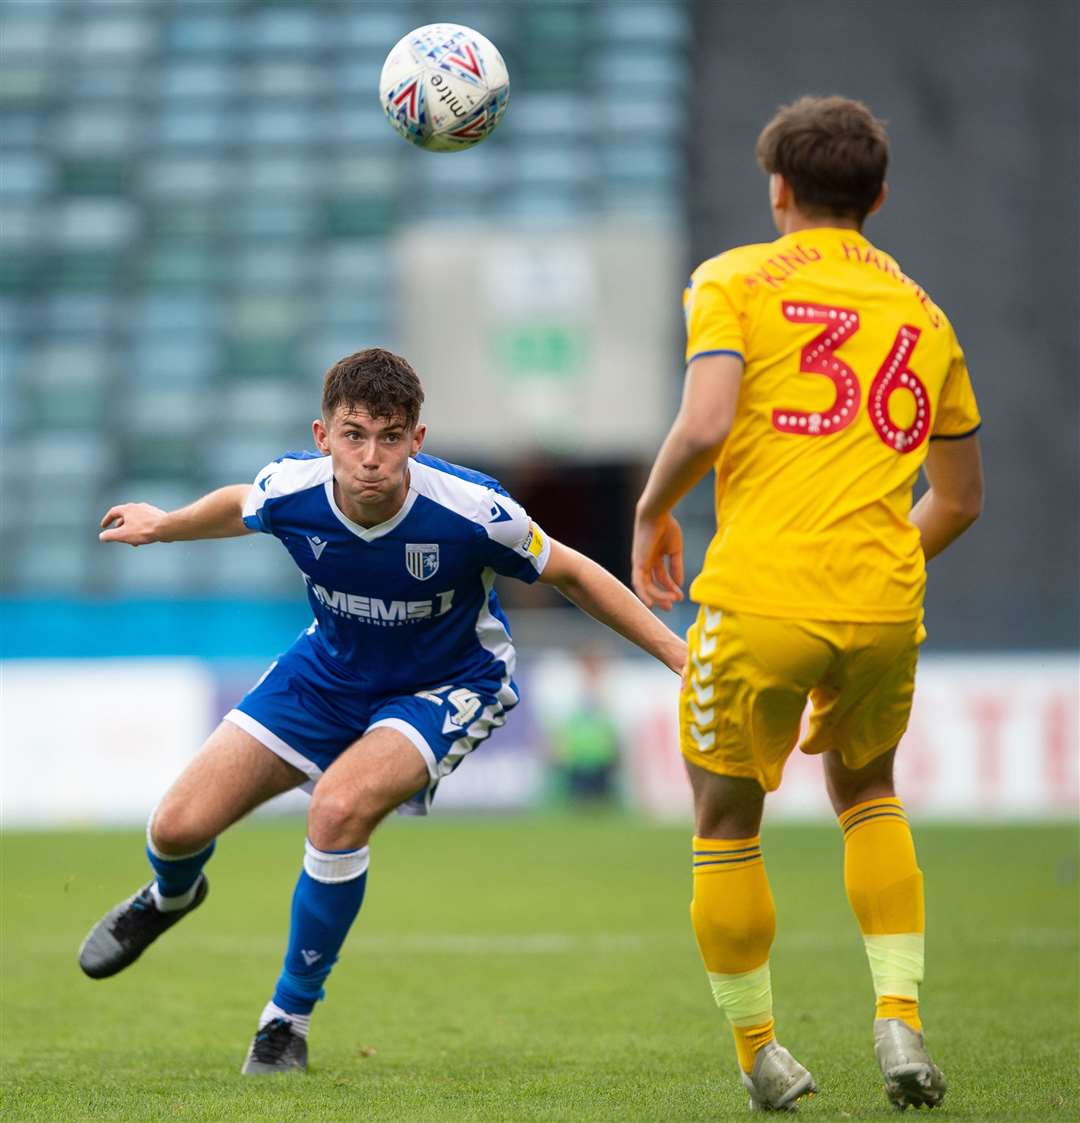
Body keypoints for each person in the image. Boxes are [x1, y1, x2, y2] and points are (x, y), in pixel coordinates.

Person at [79, 347, 687, 1075]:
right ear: (322, 436)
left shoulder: (475, 512)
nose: (371, 457)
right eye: (354, 434)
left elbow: (575, 573)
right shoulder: (291, 488)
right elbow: (239, 502)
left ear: (417, 441)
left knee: (336, 809)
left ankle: (286, 1020)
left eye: (390, 436)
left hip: (448, 681)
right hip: (329, 669)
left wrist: (683, 661)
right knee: (175, 827)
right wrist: (164, 524)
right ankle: (171, 896)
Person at [631, 96, 983, 1112]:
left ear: (777, 189)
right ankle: (901, 1018)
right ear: (877, 197)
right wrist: (874, 560)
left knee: (725, 814)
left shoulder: (732, 277)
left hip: (760, 596)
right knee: (868, 790)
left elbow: (703, 425)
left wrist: (654, 510)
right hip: (882, 603)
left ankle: (761, 1053)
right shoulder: (926, 314)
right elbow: (960, 499)